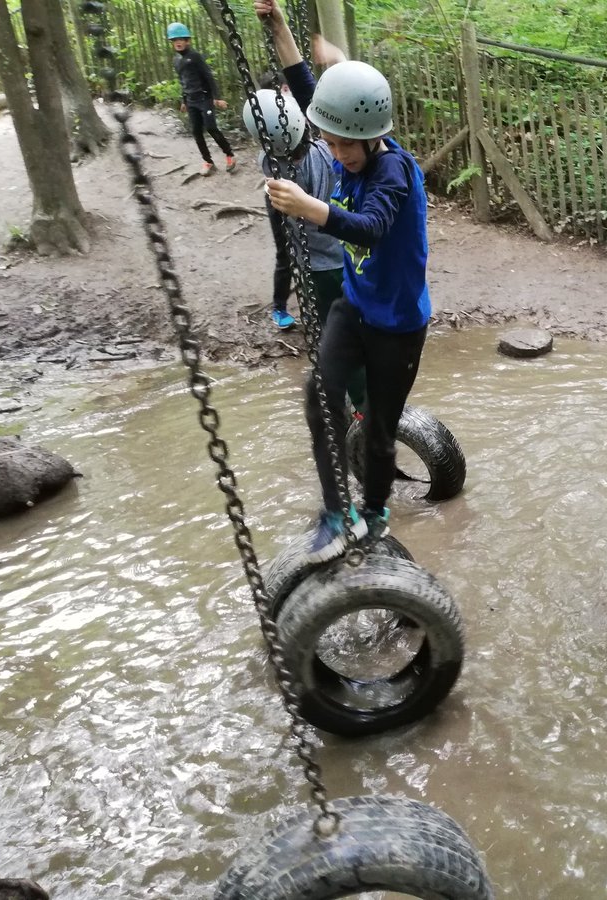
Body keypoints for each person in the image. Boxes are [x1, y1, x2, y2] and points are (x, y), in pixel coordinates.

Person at [255, 0, 431, 563]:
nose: (337, 154)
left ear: (372, 136)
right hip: (354, 307)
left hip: (398, 326)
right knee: (319, 395)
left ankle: (374, 515)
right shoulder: (344, 140)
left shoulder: (393, 171)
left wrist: (309, 208)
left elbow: (371, 228)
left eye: (346, 146)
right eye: (329, 143)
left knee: (378, 432)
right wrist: (279, 28)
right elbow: (308, 89)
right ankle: (337, 514)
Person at [244, 82, 339, 332]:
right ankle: (280, 306)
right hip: (333, 255)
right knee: (339, 318)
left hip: (311, 257)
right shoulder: (324, 155)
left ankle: (286, 309)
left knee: (287, 257)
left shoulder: (268, 161)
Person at [166, 23, 236, 176]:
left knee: (211, 128)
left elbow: (208, 76)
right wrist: (184, 100)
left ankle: (229, 154)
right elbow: (183, 81)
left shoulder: (195, 57)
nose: (178, 42)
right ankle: (208, 161)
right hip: (191, 101)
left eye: (180, 39)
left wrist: (217, 98)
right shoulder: (176, 60)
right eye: (174, 40)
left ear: (187, 41)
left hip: (204, 98)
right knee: (196, 131)